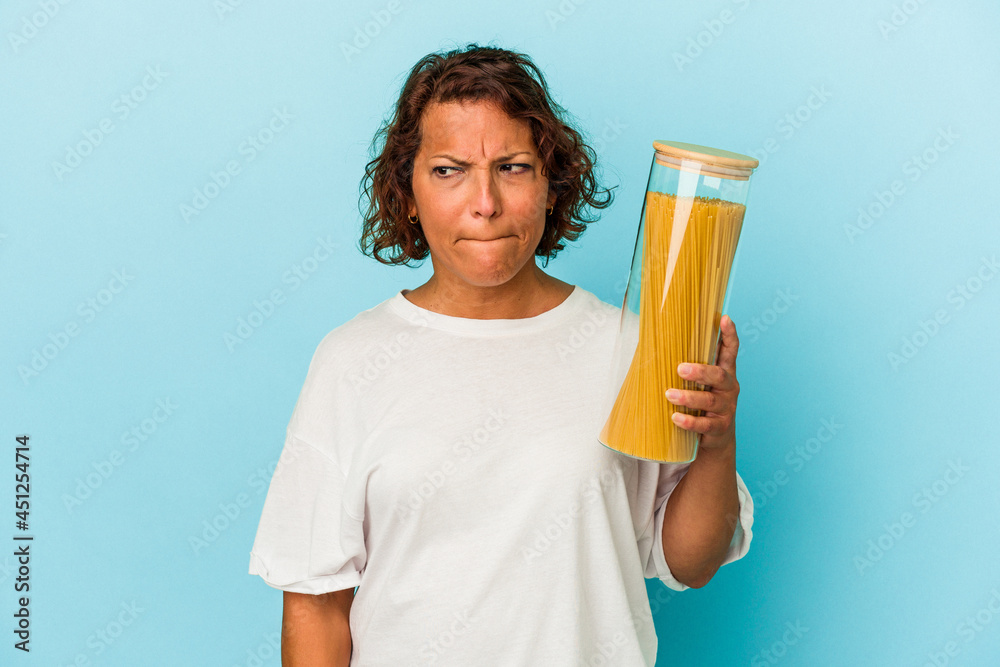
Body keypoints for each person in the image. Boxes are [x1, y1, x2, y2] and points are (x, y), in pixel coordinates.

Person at [248, 43, 754, 666]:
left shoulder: (633, 350)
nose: (484, 202)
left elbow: (690, 562)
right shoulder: (352, 361)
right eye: (448, 170)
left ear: (551, 185)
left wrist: (718, 439)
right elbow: (315, 601)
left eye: (512, 167)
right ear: (406, 192)